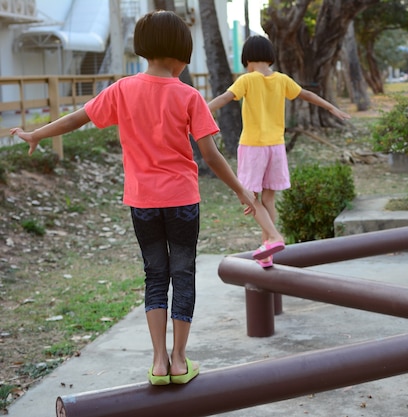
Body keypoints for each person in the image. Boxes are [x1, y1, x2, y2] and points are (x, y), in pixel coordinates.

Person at [10, 10, 257, 386]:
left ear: (146, 49)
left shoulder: (123, 89)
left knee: (155, 275)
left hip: (142, 203)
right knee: (183, 274)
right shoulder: (188, 96)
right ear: (181, 54)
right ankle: (178, 360)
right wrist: (241, 189)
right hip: (182, 201)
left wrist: (37, 134)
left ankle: (158, 362)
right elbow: (210, 155)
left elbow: (80, 118)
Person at [208, 35, 351, 267]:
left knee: (248, 196)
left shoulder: (248, 79)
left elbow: (225, 98)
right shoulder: (282, 79)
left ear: (247, 59)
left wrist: (200, 110)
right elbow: (307, 94)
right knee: (268, 197)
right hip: (276, 147)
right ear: (269, 57)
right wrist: (331, 107)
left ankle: (273, 237)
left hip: (253, 146)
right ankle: (268, 252)